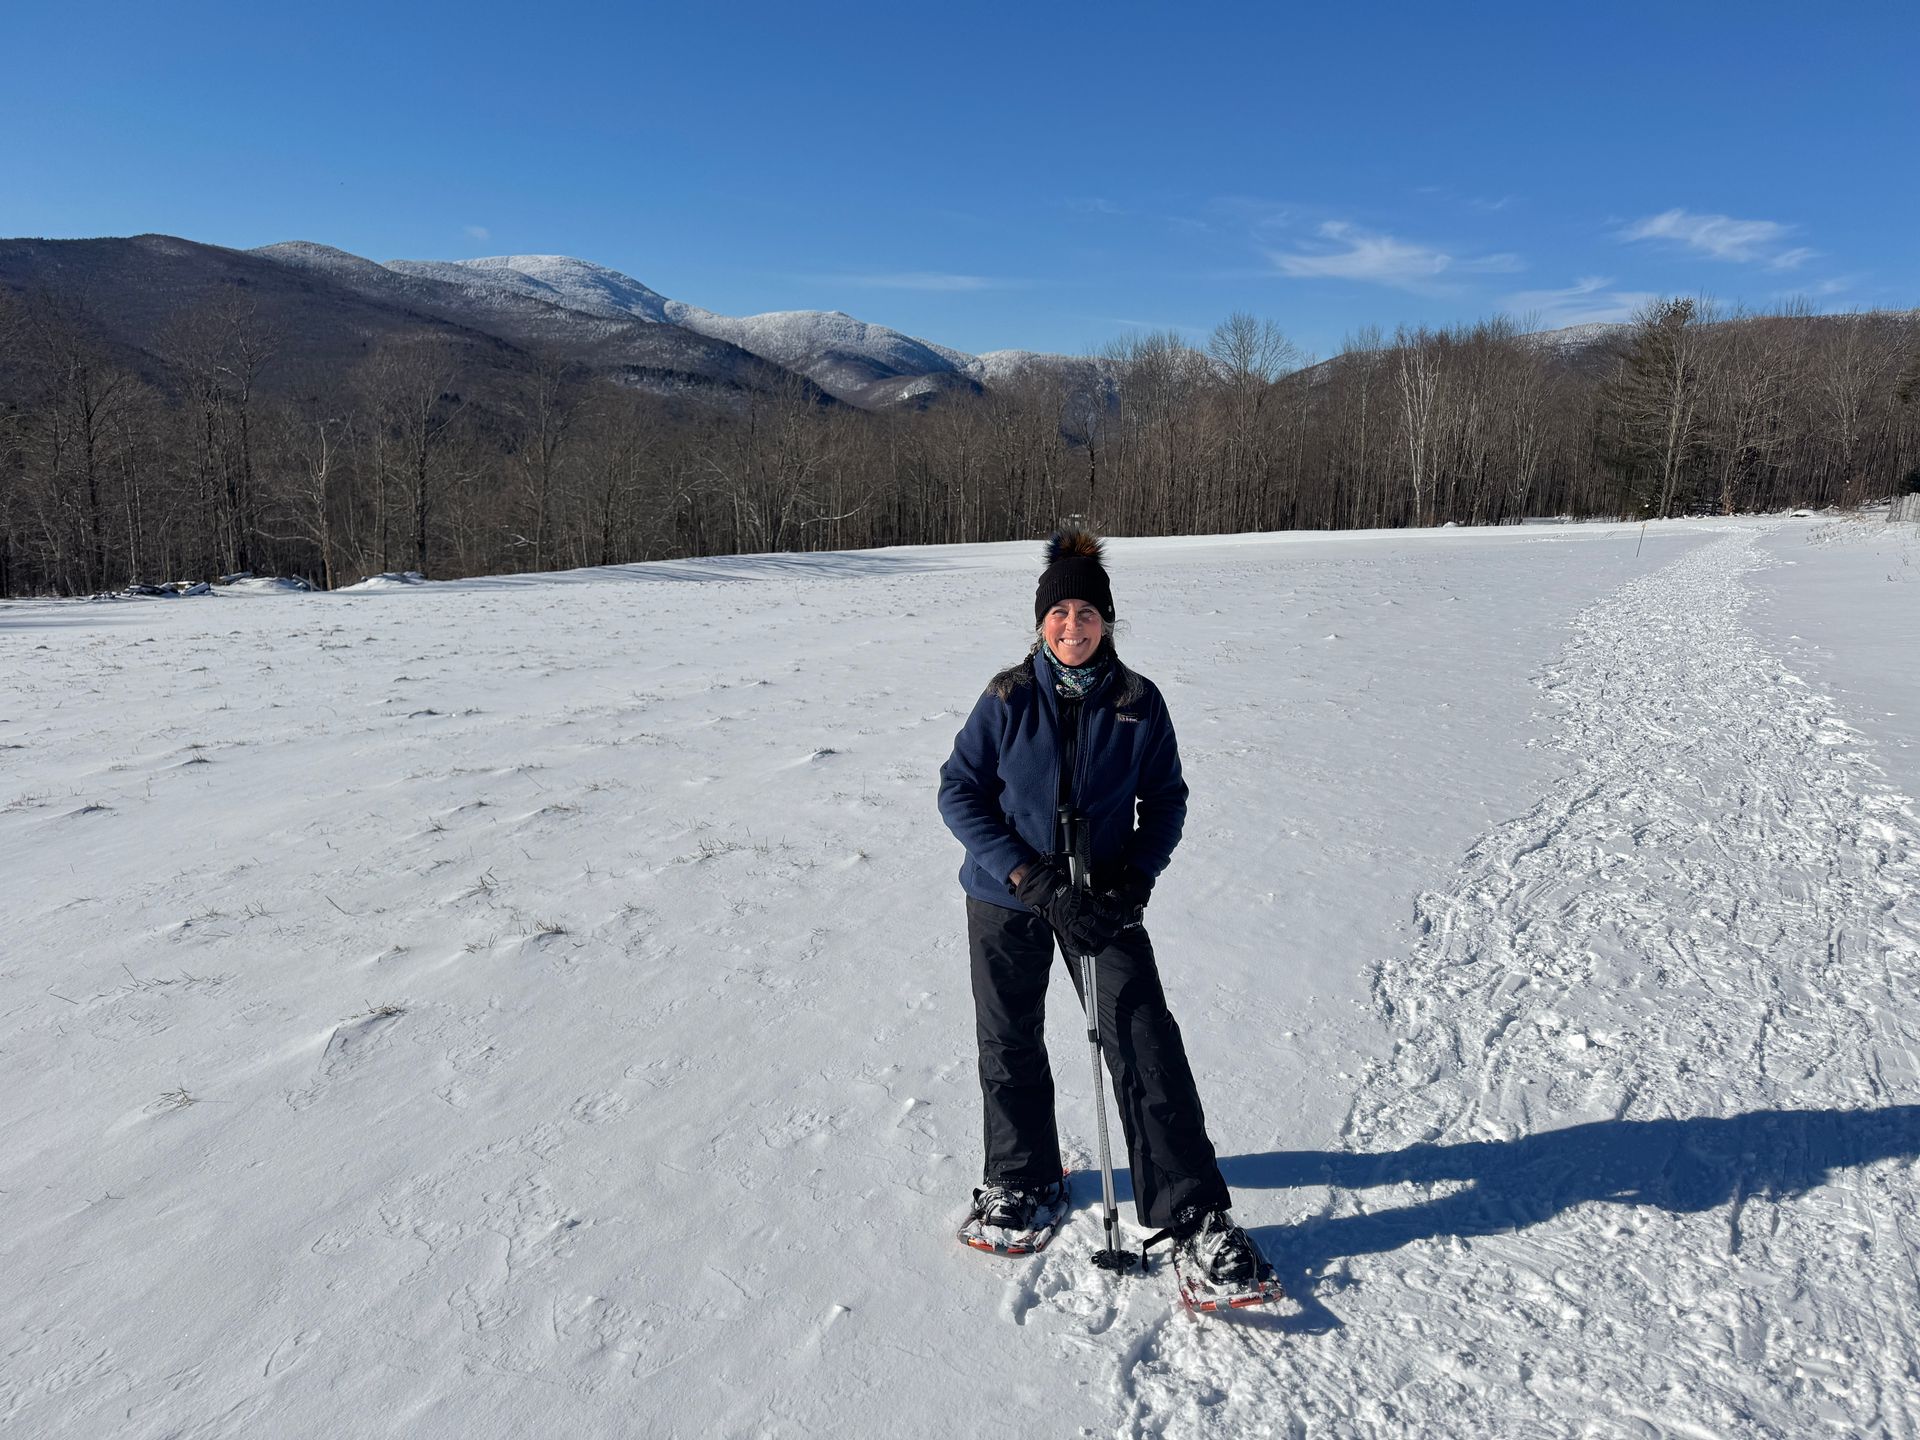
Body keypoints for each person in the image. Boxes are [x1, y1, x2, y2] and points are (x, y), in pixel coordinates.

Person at [936, 529, 1265, 1288]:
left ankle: (1193, 1214)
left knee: (1144, 1041)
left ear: (1108, 620)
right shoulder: (1008, 697)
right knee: (1008, 1040)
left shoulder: (1137, 702)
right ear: (1041, 621)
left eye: (1087, 612)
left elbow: (1167, 801)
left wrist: (1135, 884)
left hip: (1104, 901)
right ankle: (1023, 1177)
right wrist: (1029, 876)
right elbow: (960, 791)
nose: (1072, 626)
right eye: (1060, 613)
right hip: (1006, 895)